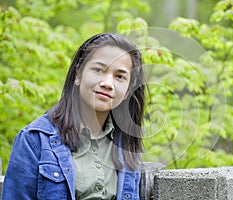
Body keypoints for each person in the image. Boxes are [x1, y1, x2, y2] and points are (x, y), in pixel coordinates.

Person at [2, 33, 146, 200]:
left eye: (119, 76)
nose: (107, 83)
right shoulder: (35, 140)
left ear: (128, 89)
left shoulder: (126, 144)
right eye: (99, 70)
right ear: (78, 74)